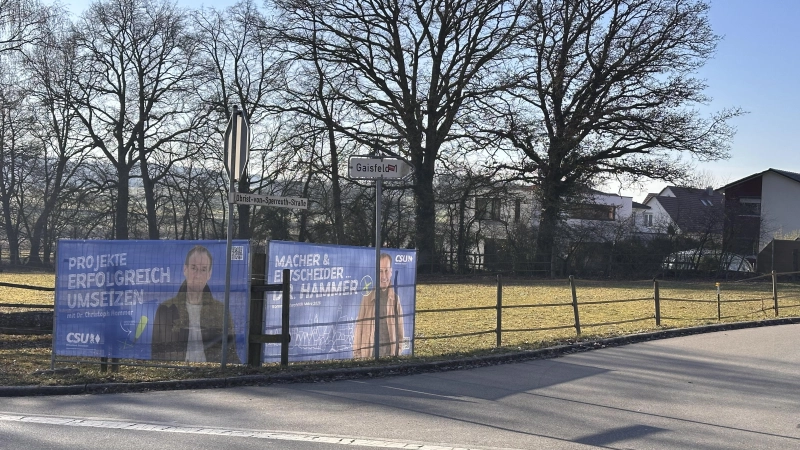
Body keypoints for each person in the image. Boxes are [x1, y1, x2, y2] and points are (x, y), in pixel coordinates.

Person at [151, 245, 239, 363]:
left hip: (211, 375)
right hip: (176, 374)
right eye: (193, 268)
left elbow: (231, 353)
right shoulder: (165, 309)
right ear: (185, 269)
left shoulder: (221, 311)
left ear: (209, 274)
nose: (198, 275)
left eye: (203, 269)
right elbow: (156, 353)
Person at [352, 253, 405, 358]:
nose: (383, 276)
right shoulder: (367, 298)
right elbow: (359, 327)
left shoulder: (395, 299)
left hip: (390, 355)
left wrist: (398, 350)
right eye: (380, 271)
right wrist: (357, 354)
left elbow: (400, 329)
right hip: (369, 356)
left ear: (391, 272)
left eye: (386, 271)